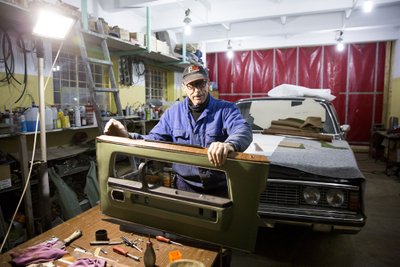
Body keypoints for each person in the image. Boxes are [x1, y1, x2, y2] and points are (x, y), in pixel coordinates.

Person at [104, 64, 252, 197]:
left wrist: (229, 144)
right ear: (184, 87)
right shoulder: (173, 113)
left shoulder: (226, 109)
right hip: (184, 187)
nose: (197, 91)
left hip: (220, 188)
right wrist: (127, 136)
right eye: (191, 86)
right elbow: (154, 139)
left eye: (201, 84)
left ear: (208, 84)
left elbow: (243, 130)